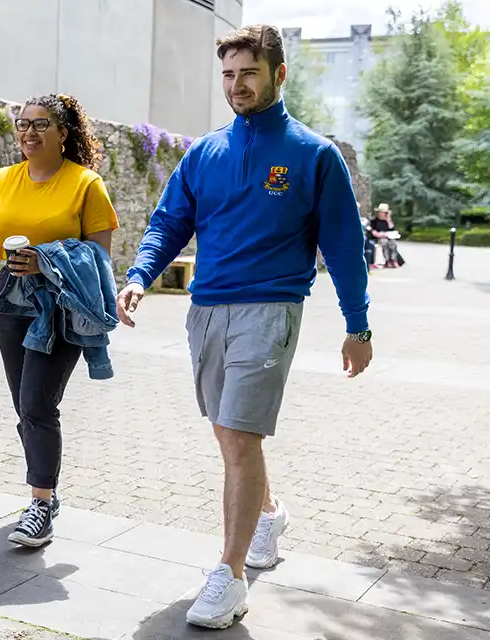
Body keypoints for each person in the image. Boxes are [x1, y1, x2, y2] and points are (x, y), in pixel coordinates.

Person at [116, 25, 373, 629]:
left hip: (270, 308)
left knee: (238, 434)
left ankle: (228, 577)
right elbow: (168, 222)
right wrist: (138, 275)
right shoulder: (204, 153)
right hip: (205, 310)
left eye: (248, 74)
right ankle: (270, 514)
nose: (236, 86)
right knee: (230, 435)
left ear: (278, 74)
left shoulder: (314, 155)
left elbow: (341, 248)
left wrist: (357, 326)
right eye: (228, 75)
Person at [0, 93, 119, 547]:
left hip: (63, 305)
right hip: (12, 300)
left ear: (64, 134)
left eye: (41, 124)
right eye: (22, 124)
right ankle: (47, 487)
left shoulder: (86, 184)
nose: (29, 132)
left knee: (38, 405)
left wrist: (49, 263)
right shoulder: (1, 180)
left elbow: (100, 258)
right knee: (25, 407)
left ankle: (40, 502)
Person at [370, 203, 402, 268]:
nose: (381, 214)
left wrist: (388, 220)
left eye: (383, 212)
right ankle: (387, 261)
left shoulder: (387, 221)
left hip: (388, 237)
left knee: (393, 244)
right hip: (378, 238)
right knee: (384, 243)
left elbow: (392, 229)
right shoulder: (374, 221)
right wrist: (380, 234)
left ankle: (393, 260)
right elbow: (373, 231)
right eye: (380, 212)